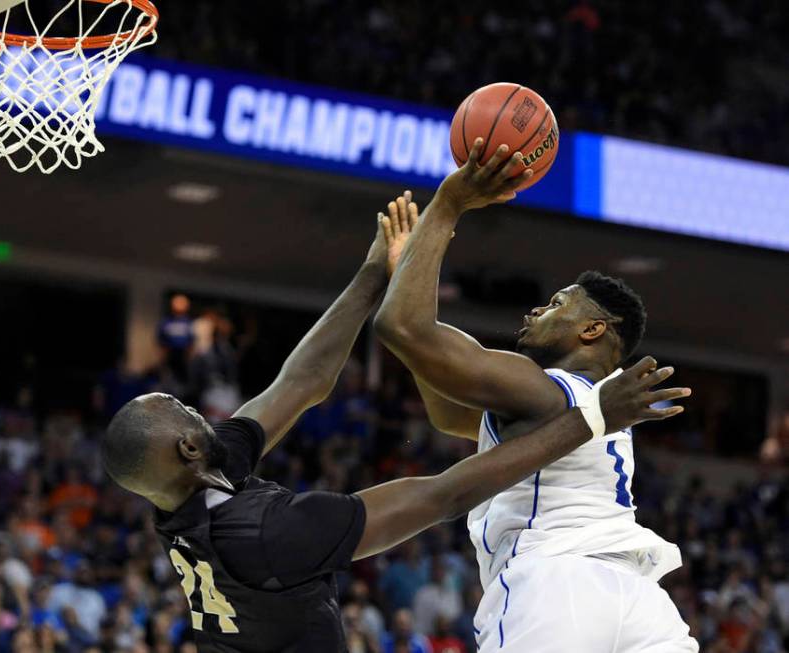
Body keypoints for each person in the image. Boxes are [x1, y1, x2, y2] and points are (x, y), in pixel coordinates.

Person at [101, 196, 689, 652]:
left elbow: (302, 383)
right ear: (186, 447)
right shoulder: (263, 532)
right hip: (596, 588)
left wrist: (377, 275)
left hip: (602, 580)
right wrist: (448, 207)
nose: (206, 413)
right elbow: (445, 492)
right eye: (191, 413)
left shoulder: (203, 478)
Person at [373, 138, 698, 652]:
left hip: (555, 584)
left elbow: (404, 329)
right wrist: (406, 274)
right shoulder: (593, 405)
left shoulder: (540, 387)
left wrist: (449, 203)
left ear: (592, 329)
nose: (534, 312)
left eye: (555, 304)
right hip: (642, 601)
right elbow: (445, 410)